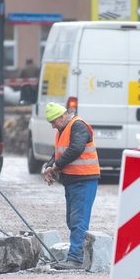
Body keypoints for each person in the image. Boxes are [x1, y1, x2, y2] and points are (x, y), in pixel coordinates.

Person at [42, 103, 100, 269]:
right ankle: (76, 256)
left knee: (78, 220)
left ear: (62, 116)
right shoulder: (63, 130)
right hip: (73, 180)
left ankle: (76, 259)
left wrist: (56, 166)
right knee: (72, 219)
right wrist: (49, 167)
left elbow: (76, 148)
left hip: (84, 179)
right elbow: (58, 153)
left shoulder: (78, 126)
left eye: (53, 122)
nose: (53, 126)